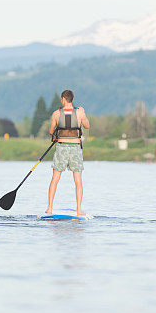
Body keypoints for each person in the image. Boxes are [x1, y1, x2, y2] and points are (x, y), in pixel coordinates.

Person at [45, 89, 90, 217]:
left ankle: (49, 208)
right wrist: (84, 114)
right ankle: (79, 210)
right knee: (78, 181)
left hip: (61, 147)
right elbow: (87, 126)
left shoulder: (56, 114)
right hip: (75, 148)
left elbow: (51, 131)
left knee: (55, 179)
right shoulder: (80, 113)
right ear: (72, 99)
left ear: (63, 99)